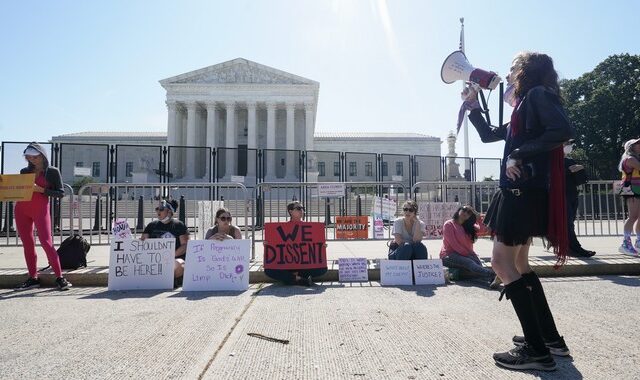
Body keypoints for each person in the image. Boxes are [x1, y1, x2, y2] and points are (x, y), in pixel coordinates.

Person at [463, 52, 574, 371]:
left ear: (526, 70)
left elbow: (563, 130)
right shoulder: (527, 104)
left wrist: (519, 155)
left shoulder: (538, 95)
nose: (508, 73)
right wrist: (473, 106)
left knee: (500, 263)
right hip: (524, 192)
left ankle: (538, 352)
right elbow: (488, 136)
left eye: (513, 68)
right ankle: (549, 339)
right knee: (520, 264)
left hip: (521, 192)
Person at [14, 142, 73, 291]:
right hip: (21, 210)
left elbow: (60, 193)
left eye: (34, 157)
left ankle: (60, 277)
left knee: (47, 243)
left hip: (40, 210)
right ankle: (33, 278)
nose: (31, 160)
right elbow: (20, 190)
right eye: (28, 157)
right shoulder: (24, 171)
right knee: (27, 244)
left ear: (42, 155)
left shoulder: (52, 171)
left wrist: (40, 189)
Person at [264, 201, 327, 286]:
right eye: (298, 208)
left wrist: (321, 247)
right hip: (287, 265)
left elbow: (315, 246)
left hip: (303, 265)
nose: (302, 211)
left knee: (322, 269)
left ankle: (292, 279)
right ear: (290, 211)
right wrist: (268, 245)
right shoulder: (283, 227)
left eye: (302, 208)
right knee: (269, 271)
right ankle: (299, 279)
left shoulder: (311, 228)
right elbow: (275, 246)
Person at [440, 205, 500, 288]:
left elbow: (484, 230)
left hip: (468, 255)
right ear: (459, 210)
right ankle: (494, 275)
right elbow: (454, 245)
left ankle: (492, 279)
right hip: (449, 255)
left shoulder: (469, 226)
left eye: (469, 213)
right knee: (470, 263)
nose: (466, 213)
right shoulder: (449, 224)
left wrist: (478, 219)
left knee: (477, 267)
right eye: (464, 210)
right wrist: (469, 255)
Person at [141, 199, 189, 282]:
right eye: (157, 209)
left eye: (161, 209)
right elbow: (143, 241)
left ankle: (167, 280)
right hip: (154, 259)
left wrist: (170, 256)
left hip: (173, 259)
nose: (158, 211)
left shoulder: (179, 225)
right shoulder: (151, 225)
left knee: (180, 265)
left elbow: (185, 245)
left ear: (169, 212)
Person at [563, 141, 595, 257]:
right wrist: (568, 171)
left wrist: (580, 169)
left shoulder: (570, 161)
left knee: (570, 222)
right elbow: (550, 177)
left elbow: (582, 180)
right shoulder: (551, 161)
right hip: (560, 195)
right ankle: (574, 248)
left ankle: (568, 246)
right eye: (566, 144)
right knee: (567, 223)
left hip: (572, 194)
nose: (569, 147)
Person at [617, 138, 640, 255]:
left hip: (636, 189)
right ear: (631, 147)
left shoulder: (635, 158)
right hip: (631, 188)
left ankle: (638, 242)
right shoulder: (630, 159)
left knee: (638, 216)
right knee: (633, 216)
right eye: (638, 144)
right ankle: (625, 243)